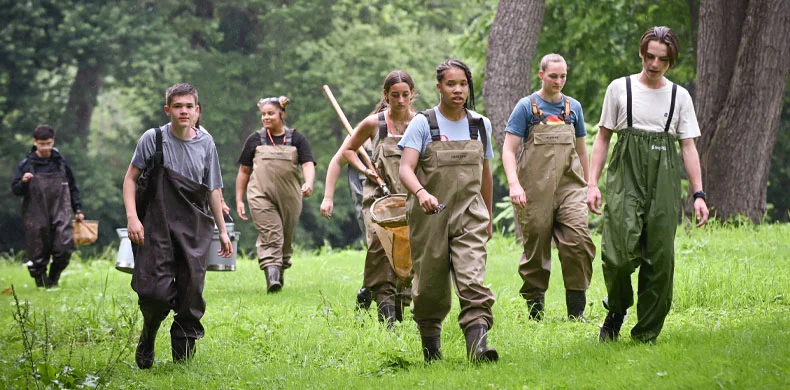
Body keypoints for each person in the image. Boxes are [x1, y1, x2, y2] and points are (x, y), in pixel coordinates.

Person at [587, 26, 709, 343]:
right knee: (617, 254)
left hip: (664, 175)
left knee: (659, 258)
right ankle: (617, 309)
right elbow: (602, 138)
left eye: (663, 60)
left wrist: (698, 193)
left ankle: (646, 333)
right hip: (625, 173)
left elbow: (688, 146)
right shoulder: (619, 89)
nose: (655, 64)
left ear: (671, 62)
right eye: (650, 56)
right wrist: (592, 183)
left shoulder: (679, 96)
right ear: (642, 53)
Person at [122, 83, 233, 369]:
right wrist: (133, 218)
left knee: (190, 292)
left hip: (194, 227)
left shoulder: (206, 143)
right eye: (177, 106)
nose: (183, 111)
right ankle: (148, 334)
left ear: (197, 111)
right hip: (155, 225)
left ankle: (183, 361)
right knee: (155, 293)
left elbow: (213, 189)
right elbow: (131, 179)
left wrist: (222, 230)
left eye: (189, 106)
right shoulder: (153, 139)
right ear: (167, 109)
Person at [398, 59, 498, 363]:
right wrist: (421, 192)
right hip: (430, 218)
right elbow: (405, 168)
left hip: (470, 216)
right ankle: (431, 350)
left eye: (463, 84)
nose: (458, 90)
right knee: (430, 287)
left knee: (473, 280)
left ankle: (478, 349)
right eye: (451, 84)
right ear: (439, 86)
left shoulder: (480, 124)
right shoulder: (423, 124)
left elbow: (485, 175)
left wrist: (489, 216)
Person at [502, 54, 595, 321]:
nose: (559, 81)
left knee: (578, 242)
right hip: (533, 190)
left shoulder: (573, 107)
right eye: (553, 75)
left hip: (570, 188)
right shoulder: (526, 107)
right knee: (536, 251)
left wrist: (589, 187)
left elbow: (581, 150)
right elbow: (509, 149)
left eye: (563, 76)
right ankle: (535, 314)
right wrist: (514, 184)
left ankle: (576, 315)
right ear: (541, 75)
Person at [321, 70, 416, 326]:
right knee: (381, 253)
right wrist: (365, 171)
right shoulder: (374, 124)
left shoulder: (422, 124)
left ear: (413, 95)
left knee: (406, 259)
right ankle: (387, 320)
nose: (400, 100)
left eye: (405, 95)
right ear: (385, 96)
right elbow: (345, 153)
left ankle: (391, 306)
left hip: (408, 200)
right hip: (377, 201)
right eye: (394, 95)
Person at [236, 96, 316, 293]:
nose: (266, 118)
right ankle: (271, 277)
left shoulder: (296, 139)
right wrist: (239, 199)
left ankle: (279, 271)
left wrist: (309, 182)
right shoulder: (255, 140)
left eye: (270, 113)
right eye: (263, 114)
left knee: (285, 237)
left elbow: (307, 163)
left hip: (290, 196)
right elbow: (244, 171)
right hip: (260, 195)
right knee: (271, 234)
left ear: (282, 114)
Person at [12, 124, 85, 288]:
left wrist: (78, 209)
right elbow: (16, 190)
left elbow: (73, 187)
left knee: (64, 248)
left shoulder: (61, 164)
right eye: (41, 144)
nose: (45, 147)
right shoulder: (26, 165)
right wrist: (23, 182)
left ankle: (53, 278)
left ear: (53, 141)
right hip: (35, 215)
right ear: (35, 142)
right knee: (38, 252)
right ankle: (42, 283)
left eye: (48, 143)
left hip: (61, 212)